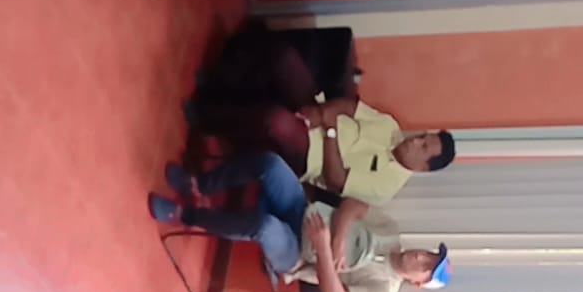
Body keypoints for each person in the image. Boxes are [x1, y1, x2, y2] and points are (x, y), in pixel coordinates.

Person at [147, 153, 451, 292]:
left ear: (417, 283)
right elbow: (353, 206)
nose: (421, 257)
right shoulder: (391, 231)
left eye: (426, 266)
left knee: (265, 227)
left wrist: (324, 249)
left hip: (296, 254)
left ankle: (184, 215)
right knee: (271, 164)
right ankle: (198, 184)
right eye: (428, 254)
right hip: (306, 212)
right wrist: (338, 238)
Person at [186, 92, 456, 204]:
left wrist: (329, 131)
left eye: (423, 146)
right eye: (422, 136)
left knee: (279, 122)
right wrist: (320, 113)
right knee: (285, 61)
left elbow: (335, 179)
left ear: (422, 168)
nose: (415, 140)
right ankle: (213, 95)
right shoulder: (390, 127)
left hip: (311, 158)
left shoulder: (386, 187)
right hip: (321, 119)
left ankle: (206, 122)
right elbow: (349, 106)